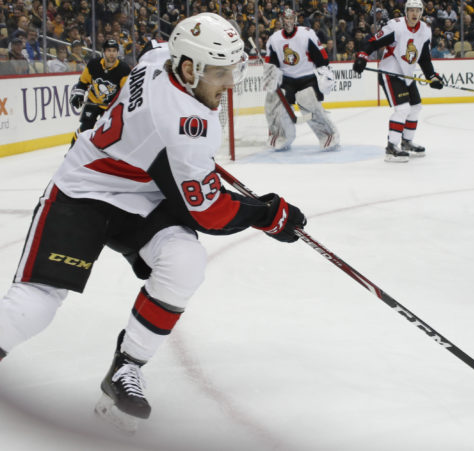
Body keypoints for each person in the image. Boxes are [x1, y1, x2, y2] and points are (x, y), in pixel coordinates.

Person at [0, 12, 306, 433]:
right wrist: (268, 214)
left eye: (232, 70)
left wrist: (186, 161)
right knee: (37, 301)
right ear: (189, 70)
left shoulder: (159, 56)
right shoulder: (182, 124)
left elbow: (157, 63)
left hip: (142, 194)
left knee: (185, 262)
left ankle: (126, 367)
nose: (230, 84)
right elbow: (208, 212)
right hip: (84, 189)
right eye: (220, 73)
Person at [352, 0, 443, 162]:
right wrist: (362, 57)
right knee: (402, 109)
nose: (414, 13)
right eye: (411, 10)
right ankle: (391, 147)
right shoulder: (395, 26)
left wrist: (431, 76)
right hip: (390, 72)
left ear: (421, 13)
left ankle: (406, 142)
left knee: (415, 107)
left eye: (417, 10)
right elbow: (373, 42)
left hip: (406, 75)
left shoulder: (425, 30)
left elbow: (424, 57)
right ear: (406, 12)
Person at [263, 8, 339, 151]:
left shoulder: (307, 34)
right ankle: (282, 136)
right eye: (286, 19)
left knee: (308, 104)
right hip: (287, 80)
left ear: (295, 20)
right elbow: (271, 63)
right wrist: (270, 75)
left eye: (291, 18)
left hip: (307, 78)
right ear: (281, 21)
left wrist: (324, 72)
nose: (288, 21)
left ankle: (328, 135)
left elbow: (321, 57)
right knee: (276, 105)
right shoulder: (274, 39)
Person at [68, 39, 131, 144]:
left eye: (114, 51)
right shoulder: (93, 64)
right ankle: (73, 149)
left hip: (111, 107)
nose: (112, 54)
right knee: (85, 128)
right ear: (104, 52)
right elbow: (83, 81)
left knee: (108, 133)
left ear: (117, 53)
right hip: (93, 101)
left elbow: (126, 92)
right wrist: (78, 94)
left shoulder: (123, 69)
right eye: (109, 50)